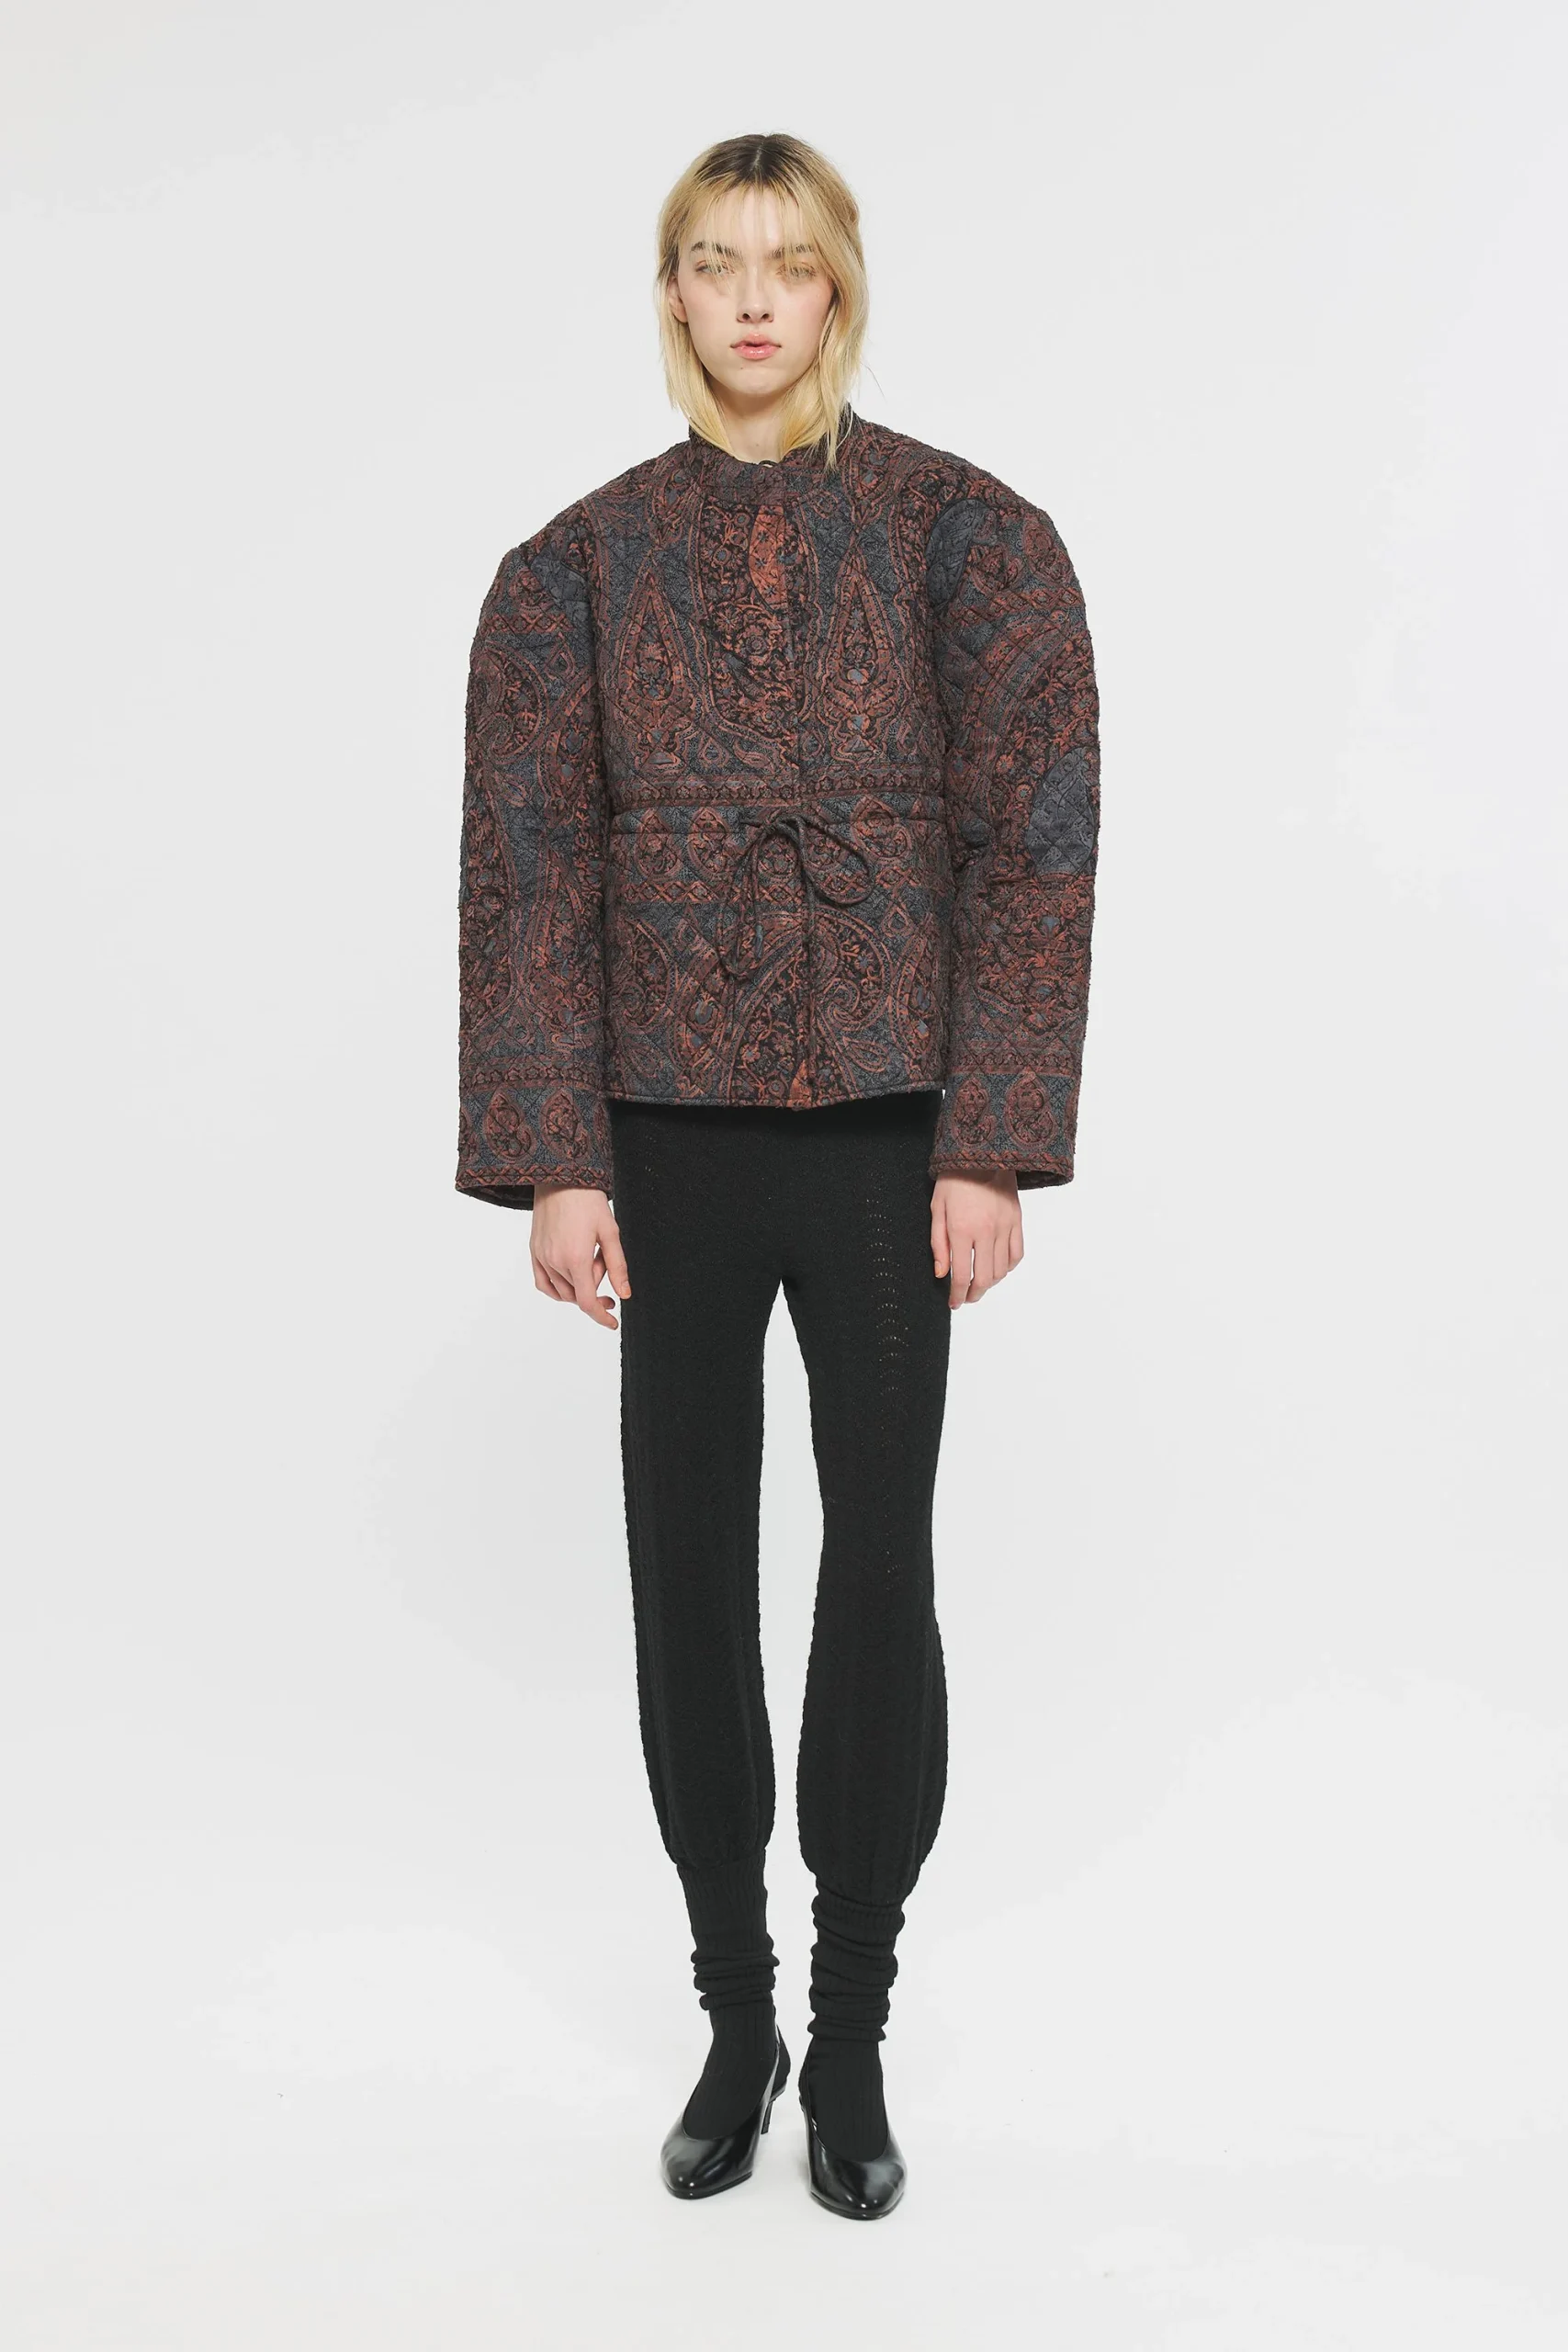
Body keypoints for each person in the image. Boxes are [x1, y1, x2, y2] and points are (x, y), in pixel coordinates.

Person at [456, 131, 1100, 2219]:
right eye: (716, 262)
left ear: (839, 290)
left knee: (879, 1567)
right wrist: (555, 1161)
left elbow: (1036, 843)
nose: (752, 299)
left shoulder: (968, 537)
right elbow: (526, 874)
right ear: (671, 293)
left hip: (893, 1138)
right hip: (658, 1143)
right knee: (686, 1569)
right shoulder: (567, 569)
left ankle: (853, 2026)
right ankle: (733, 2013)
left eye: (789, 263)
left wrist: (991, 1134)